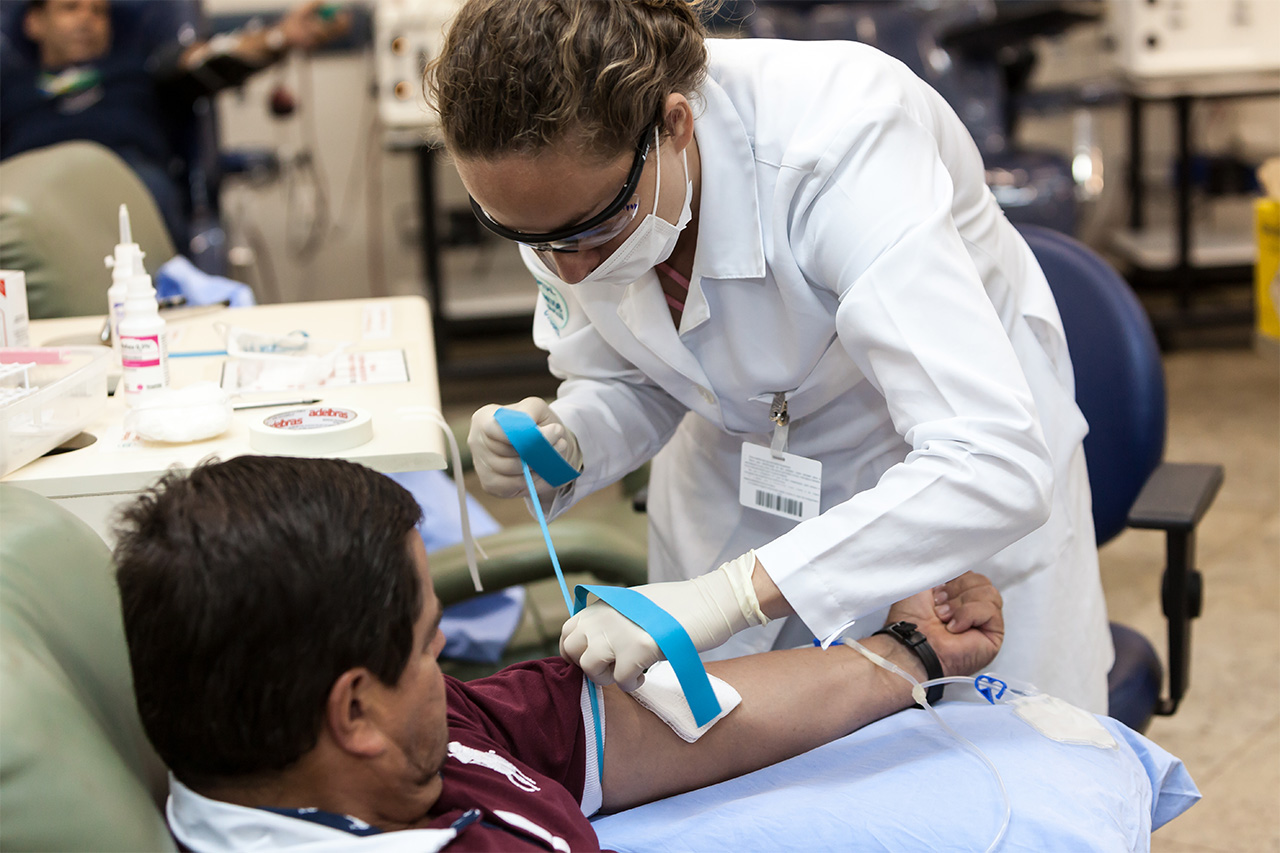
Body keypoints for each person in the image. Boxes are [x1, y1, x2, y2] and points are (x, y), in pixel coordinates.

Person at [429, 0, 1112, 712]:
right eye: (530, 238)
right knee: (730, 773)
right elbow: (645, 374)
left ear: (675, 125)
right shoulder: (567, 193)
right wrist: (573, 435)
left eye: (595, 232)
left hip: (925, 490)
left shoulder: (844, 140)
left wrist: (725, 597)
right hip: (731, 482)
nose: (569, 271)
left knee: (978, 786)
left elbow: (991, 460)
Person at [112, 455, 1003, 851]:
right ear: (354, 711)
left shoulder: (344, 753)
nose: (447, 674)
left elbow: (644, 727)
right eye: (429, 648)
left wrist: (907, 652)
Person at [0, 0, 349, 250]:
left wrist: (281, 36)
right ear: (34, 21)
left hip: (128, 192)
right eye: (70, 8)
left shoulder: (140, 69)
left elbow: (211, 57)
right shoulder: (11, 88)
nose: (87, 20)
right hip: (28, 201)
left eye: (98, 11)